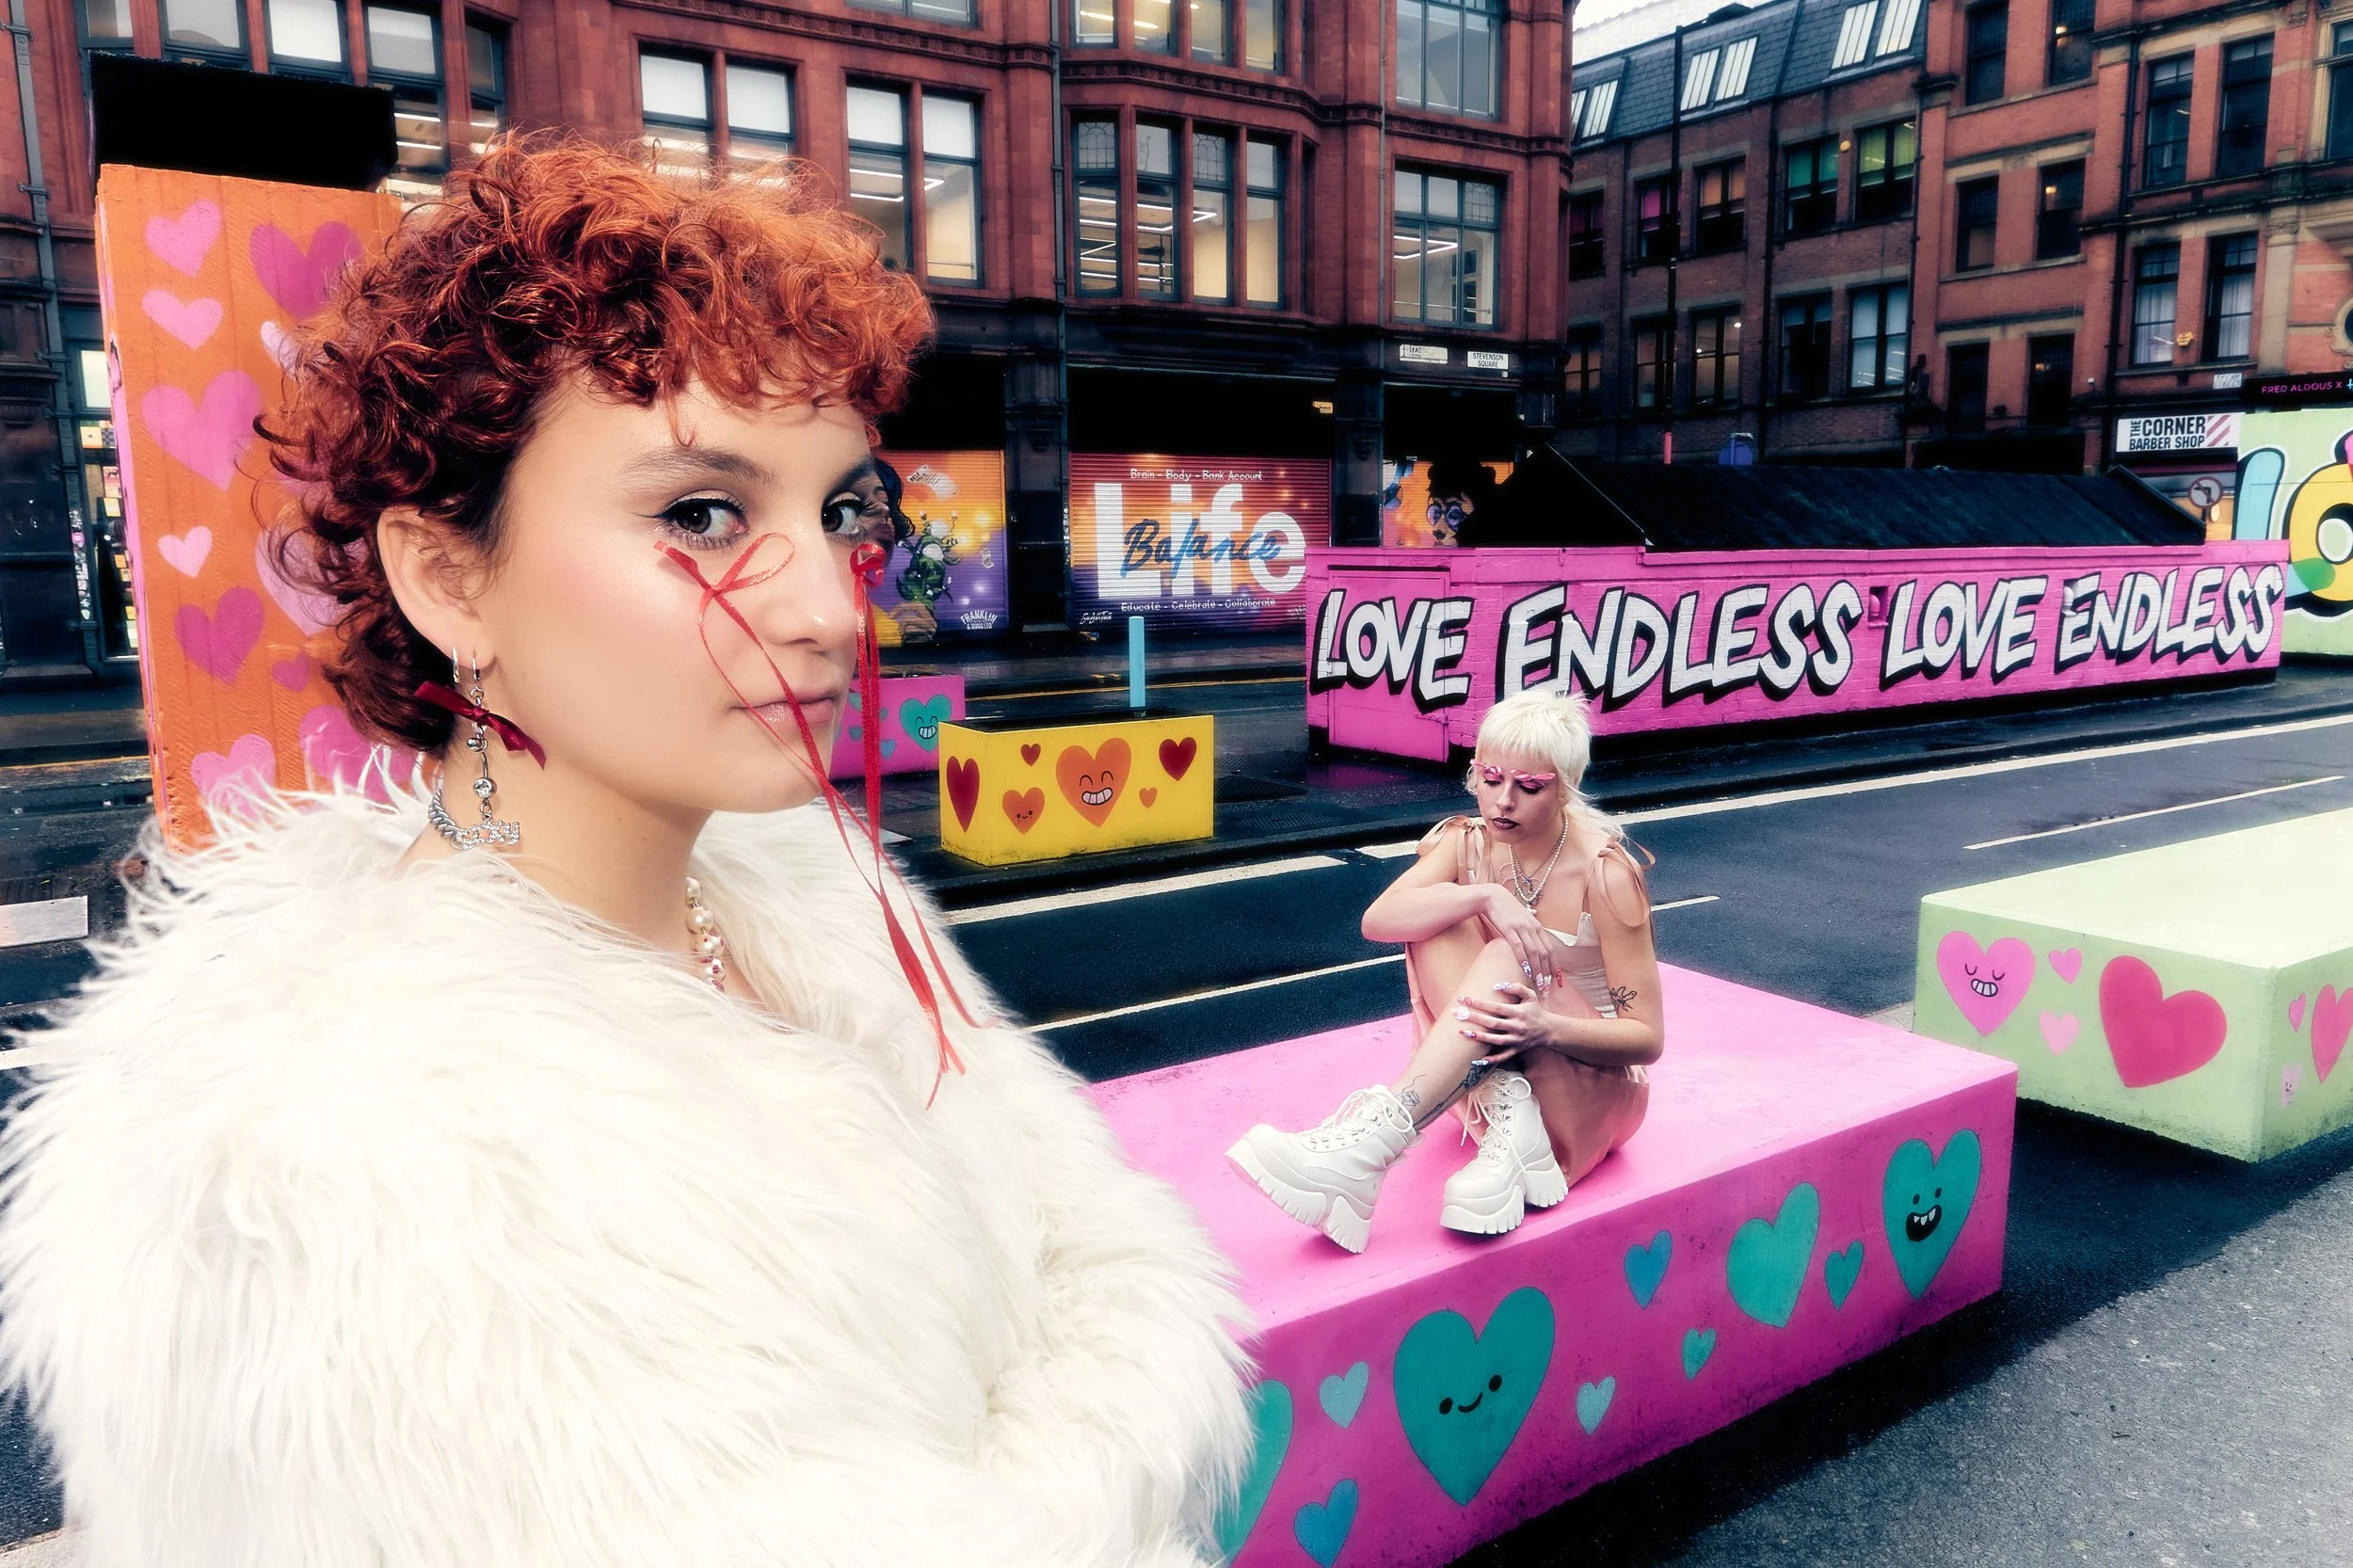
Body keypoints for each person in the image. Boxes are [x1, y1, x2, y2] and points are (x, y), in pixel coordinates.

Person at [0, 138, 1251, 1566]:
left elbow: (1088, 1258)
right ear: (448, 576)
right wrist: (1102, 1468)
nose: (830, 611)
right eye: (700, 513)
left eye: (841, 511)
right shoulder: (341, 1164)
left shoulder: (820, 909)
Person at [1226, 690, 1661, 1252]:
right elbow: (1378, 920)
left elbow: (1646, 1039)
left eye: (1529, 787)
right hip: (1495, 1077)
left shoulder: (1606, 874)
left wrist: (1545, 1028)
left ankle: (1369, 1152)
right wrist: (1483, 896)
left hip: (1594, 1088)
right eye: (1490, 778)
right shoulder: (1468, 843)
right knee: (1435, 919)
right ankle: (1512, 1119)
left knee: (1504, 953)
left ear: (1566, 788)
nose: (1503, 801)